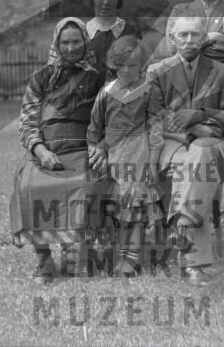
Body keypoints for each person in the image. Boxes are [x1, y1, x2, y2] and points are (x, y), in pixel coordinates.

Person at [9, 17, 106, 285]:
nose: (71, 47)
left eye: (76, 41)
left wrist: (100, 146)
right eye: (65, 42)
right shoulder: (40, 78)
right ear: (56, 44)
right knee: (27, 187)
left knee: (85, 185)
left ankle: (80, 253)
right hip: (46, 150)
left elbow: (108, 116)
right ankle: (44, 260)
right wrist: (41, 152)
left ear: (86, 42)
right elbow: (28, 123)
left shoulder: (98, 77)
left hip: (82, 149)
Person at [147, 16, 224, 286]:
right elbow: (151, 116)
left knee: (200, 157)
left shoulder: (221, 72)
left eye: (195, 34)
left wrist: (201, 114)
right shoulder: (156, 71)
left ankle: (183, 227)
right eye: (183, 35)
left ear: (204, 38)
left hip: (213, 147)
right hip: (172, 146)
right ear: (172, 39)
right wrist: (192, 130)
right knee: (197, 171)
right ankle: (193, 264)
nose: (189, 40)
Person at [86, 36, 164, 277]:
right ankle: (120, 253)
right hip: (113, 159)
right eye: (122, 65)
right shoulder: (106, 93)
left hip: (137, 157)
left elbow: (156, 129)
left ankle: (132, 258)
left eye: (133, 65)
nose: (128, 70)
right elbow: (94, 127)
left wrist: (152, 162)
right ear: (114, 64)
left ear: (141, 65)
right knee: (118, 210)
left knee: (135, 210)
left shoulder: (148, 91)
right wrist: (95, 149)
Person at [84, 0, 140, 79]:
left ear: (118, 0)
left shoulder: (131, 32)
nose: (106, 2)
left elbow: (138, 69)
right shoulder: (81, 32)